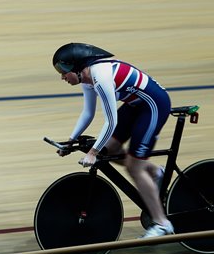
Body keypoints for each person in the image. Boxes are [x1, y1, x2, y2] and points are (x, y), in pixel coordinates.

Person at [52, 42, 173, 238]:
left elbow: (111, 120)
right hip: (135, 106)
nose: (62, 76)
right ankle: (156, 172)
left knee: (134, 168)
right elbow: (88, 113)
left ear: (77, 67)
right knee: (110, 148)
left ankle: (162, 223)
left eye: (64, 70)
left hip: (153, 106)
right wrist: (70, 140)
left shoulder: (101, 77)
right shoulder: (87, 78)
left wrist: (93, 152)